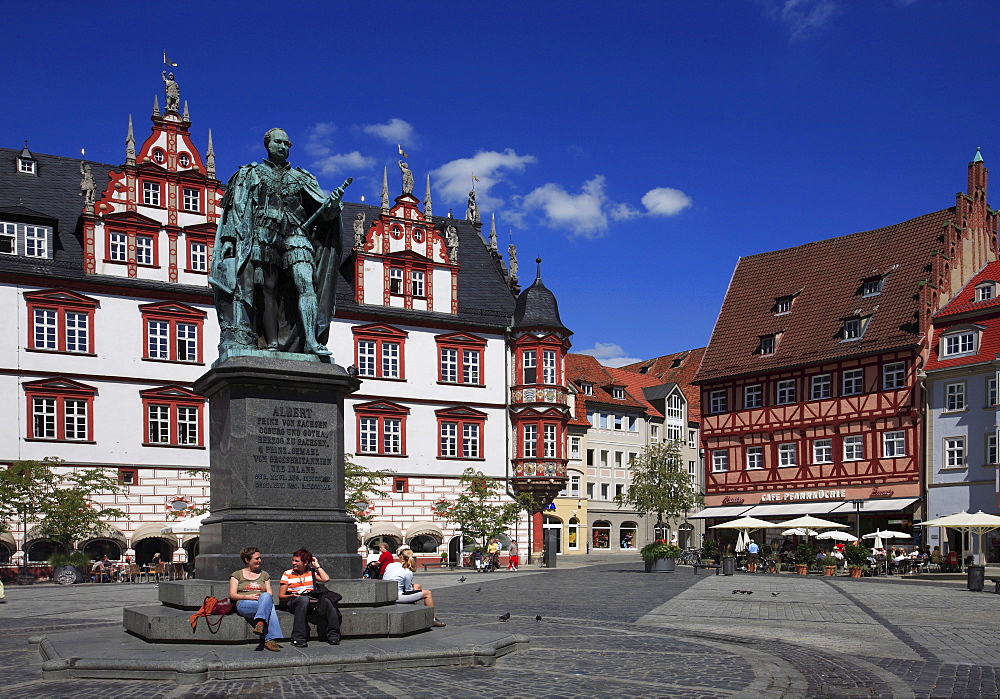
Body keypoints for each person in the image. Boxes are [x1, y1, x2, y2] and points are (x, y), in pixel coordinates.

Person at [209, 128, 350, 356]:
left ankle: (311, 342)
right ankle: (271, 342)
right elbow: (236, 209)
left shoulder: (301, 178)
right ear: (268, 144)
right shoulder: (251, 174)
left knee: (307, 284)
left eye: (287, 144)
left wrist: (332, 206)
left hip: (296, 235)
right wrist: (228, 239)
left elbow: (325, 214)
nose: (283, 147)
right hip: (264, 235)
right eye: (278, 143)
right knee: (268, 290)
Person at [279, 548, 340, 647]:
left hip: (311, 601)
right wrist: (292, 596)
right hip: (294, 601)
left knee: (328, 601)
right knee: (303, 599)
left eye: (296, 561)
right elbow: (281, 596)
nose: (293, 563)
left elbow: (326, 579)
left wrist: (317, 566)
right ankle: (298, 638)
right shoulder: (287, 574)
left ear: (305, 562)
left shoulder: (311, 572)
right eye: (293, 560)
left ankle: (333, 635)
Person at [230, 547, 282, 652]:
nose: (260, 561)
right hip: (245, 604)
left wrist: (261, 597)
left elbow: (270, 593)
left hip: (261, 602)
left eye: (260, 558)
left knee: (267, 597)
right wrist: (248, 596)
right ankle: (270, 638)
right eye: (257, 558)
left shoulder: (264, 575)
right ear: (247, 560)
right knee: (270, 607)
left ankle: (260, 622)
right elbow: (233, 595)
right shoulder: (237, 575)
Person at [383, 549, 445, 627]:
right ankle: (432, 619)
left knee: (417, 586)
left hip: (386, 592)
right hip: (397, 596)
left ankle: (413, 612)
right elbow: (408, 589)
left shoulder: (390, 565)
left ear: (401, 557)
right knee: (428, 593)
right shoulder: (407, 572)